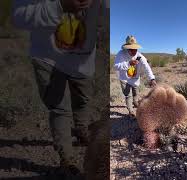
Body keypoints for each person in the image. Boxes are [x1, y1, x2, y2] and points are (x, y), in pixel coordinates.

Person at [12, 0, 107, 175]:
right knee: (59, 109)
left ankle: (81, 129)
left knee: (83, 100)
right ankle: (67, 159)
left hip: (83, 59)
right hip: (47, 58)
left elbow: (106, 12)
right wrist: (60, 6)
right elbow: (19, 16)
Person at [114, 35, 157, 117]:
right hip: (124, 78)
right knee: (128, 95)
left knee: (135, 93)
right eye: (131, 49)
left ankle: (135, 102)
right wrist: (129, 63)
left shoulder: (140, 56)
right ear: (127, 48)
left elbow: (147, 67)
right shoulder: (121, 54)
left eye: (135, 49)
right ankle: (130, 110)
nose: (134, 51)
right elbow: (116, 66)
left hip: (135, 78)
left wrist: (152, 79)